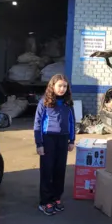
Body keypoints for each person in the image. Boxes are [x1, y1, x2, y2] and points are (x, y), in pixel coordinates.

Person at [34, 74, 76, 216]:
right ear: (52, 86)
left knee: (59, 170)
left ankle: (56, 197)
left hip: (63, 140)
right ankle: (45, 202)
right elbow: (37, 124)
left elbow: (71, 122)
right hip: (48, 140)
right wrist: (39, 143)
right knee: (47, 171)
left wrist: (72, 141)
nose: (62, 89)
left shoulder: (68, 103)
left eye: (65, 86)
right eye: (60, 86)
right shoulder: (44, 102)